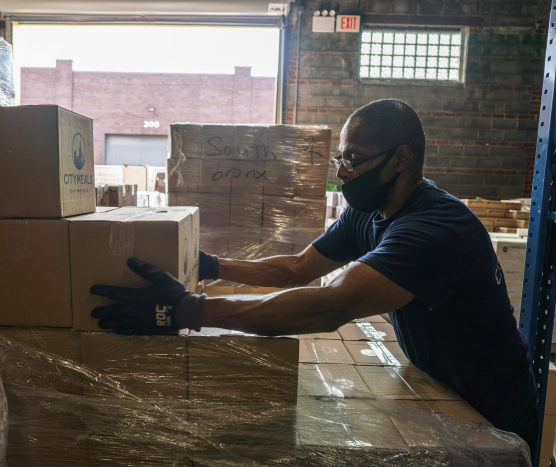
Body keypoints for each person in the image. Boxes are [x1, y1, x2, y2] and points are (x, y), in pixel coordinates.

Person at [91, 98, 537, 453]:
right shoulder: (370, 210)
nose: (342, 172)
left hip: (490, 404)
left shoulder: (435, 229)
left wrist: (188, 310)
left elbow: (330, 304)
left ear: (401, 158)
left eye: (354, 159)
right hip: (440, 380)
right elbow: (298, 268)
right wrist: (210, 265)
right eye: (339, 159)